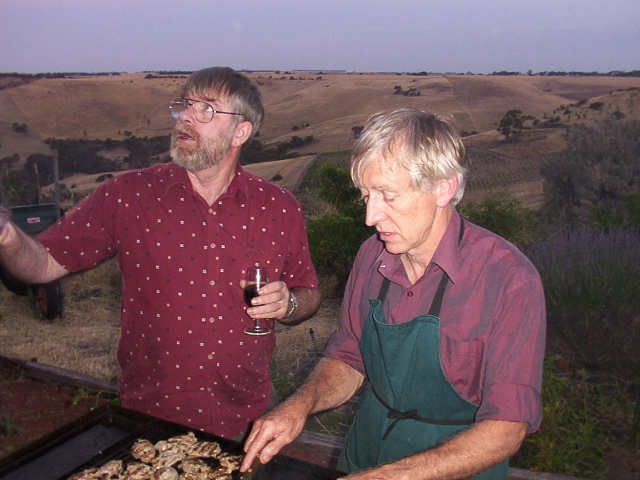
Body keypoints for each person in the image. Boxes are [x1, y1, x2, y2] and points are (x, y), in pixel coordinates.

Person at [0, 67, 321, 440]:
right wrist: (7, 235)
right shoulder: (127, 194)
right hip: (150, 417)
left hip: (249, 417)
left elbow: (308, 291)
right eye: (185, 105)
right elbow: (42, 264)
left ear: (241, 132)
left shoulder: (279, 207)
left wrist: (289, 305)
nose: (185, 116)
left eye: (206, 109)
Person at [241, 109, 546, 479]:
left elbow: (509, 426)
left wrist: (391, 476)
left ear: (443, 188)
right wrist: (298, 407)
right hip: (364, 454)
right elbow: (349, 355)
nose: (371, 217)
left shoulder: (508, 278)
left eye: (388, 195)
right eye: (366, 195)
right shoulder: (372, 255)